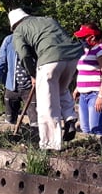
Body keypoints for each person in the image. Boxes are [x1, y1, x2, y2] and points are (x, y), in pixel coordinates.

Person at [8, 8, 79, 150]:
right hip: (72, 58)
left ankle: (50, 144)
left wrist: (33, 74)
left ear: (14, 24)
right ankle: (70, 119)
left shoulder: (19, 31)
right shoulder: (48, 20)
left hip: (49, 61)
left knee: (45, 104)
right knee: (61, 90)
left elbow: (24, 55)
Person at [73, 22, 102, 136]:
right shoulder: (85, 51)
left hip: (95, 94)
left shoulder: (101, 50)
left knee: (95, 128)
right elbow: (83, 71)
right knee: (85, 129)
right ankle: (91, 150)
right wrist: (77, 89)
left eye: (83, 38)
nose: (81, 40)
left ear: (92, 37)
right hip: (83, 95)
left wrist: (101, 96)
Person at [0, 34, 37, 126]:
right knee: (10, 120)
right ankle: (12, 137)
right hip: (12, 86)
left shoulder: (34, 39)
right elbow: (0, 62)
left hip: (31, 87)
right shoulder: (9, 40)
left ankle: (34, 138)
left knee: (35, 120)